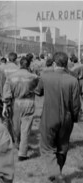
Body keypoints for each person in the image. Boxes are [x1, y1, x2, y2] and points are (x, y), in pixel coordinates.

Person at [34, 52, 81, 182]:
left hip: (49, 116)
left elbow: (38, 92)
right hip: (67, 118)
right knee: (62, 147)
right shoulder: (73, 80)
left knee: (46, 147)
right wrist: (75, 118)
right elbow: (76, 104)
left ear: (54, 63)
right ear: (66, 64)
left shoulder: (45, 76)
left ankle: (56, 175)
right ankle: (57, 173)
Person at [3, 56, 38, 161]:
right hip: (29, 102)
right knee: (25, 128)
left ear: (19, 64)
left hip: (16, 103)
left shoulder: (10, 77)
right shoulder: (34, 77)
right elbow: (37, 88)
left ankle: (19, 146)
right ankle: (22, 151)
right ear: (28, 65)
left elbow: (7, 93)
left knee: (16, 127)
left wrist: (5, 105)